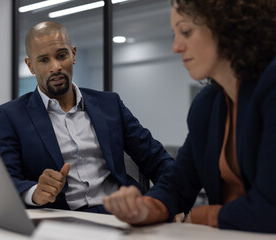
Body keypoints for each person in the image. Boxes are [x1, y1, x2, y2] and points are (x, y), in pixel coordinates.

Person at [103, 0, 276, 233]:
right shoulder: (207, 104)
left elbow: (269, 208)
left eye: (185, 32)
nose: (175, 47)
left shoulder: (271, 85)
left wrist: (198, 216)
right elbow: (176, 185)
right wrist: (144, 207)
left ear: (227, 26)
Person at [0, 21, 173, 214]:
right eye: (44, 60)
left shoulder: (109, 104)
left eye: (62, 56)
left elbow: (157, 159)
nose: (55, 67)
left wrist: (168, 203)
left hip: (121, 214)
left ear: (73, 54)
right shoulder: (10, 116)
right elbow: (6, 179)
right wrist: (35, 192)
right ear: (30, 65)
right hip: (63, 220)